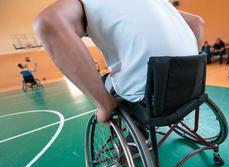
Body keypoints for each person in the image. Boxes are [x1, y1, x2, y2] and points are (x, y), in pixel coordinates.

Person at [34, 0, 205, 123]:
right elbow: (198, 22)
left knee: (107, 83)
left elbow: (48, 23)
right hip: (191, 85)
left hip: (152, 93)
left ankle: (136, 132)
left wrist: (104, 105)